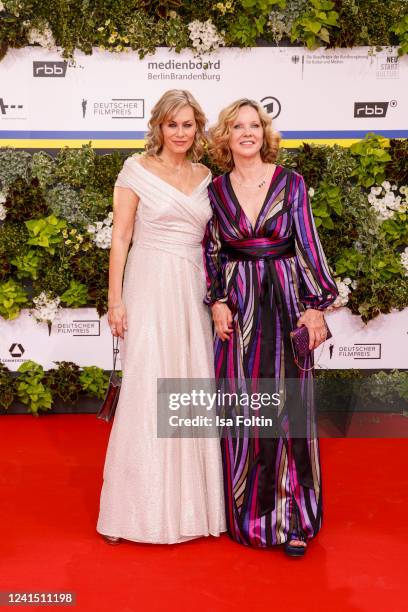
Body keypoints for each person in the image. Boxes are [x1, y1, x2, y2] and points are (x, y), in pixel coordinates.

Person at [203, 99, 338, 556]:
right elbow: (213, 251)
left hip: (285, 301)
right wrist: (217, 300)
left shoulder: (291, 183)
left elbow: (308, 242)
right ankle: (252, 516)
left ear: (265, 132)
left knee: (290, 409)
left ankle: (296, 516)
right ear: (226, 136)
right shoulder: (216, 190)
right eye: (238, 126)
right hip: (239, 310)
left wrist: (316, 305)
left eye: (255, 125)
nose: (247, 133)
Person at [97, 90, 226, 544]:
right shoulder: (135, 170)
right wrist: (115, 300)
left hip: (192, 288)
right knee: (147, 385)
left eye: (188, 124)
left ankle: (194, 510)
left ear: (198, 128)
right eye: (172, 124)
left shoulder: (206, 176)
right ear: (158, 127)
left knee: (190, 385)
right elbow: (121, 238)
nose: (180, 133)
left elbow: (213, 243)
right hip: (149, 282)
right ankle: (129, 513)